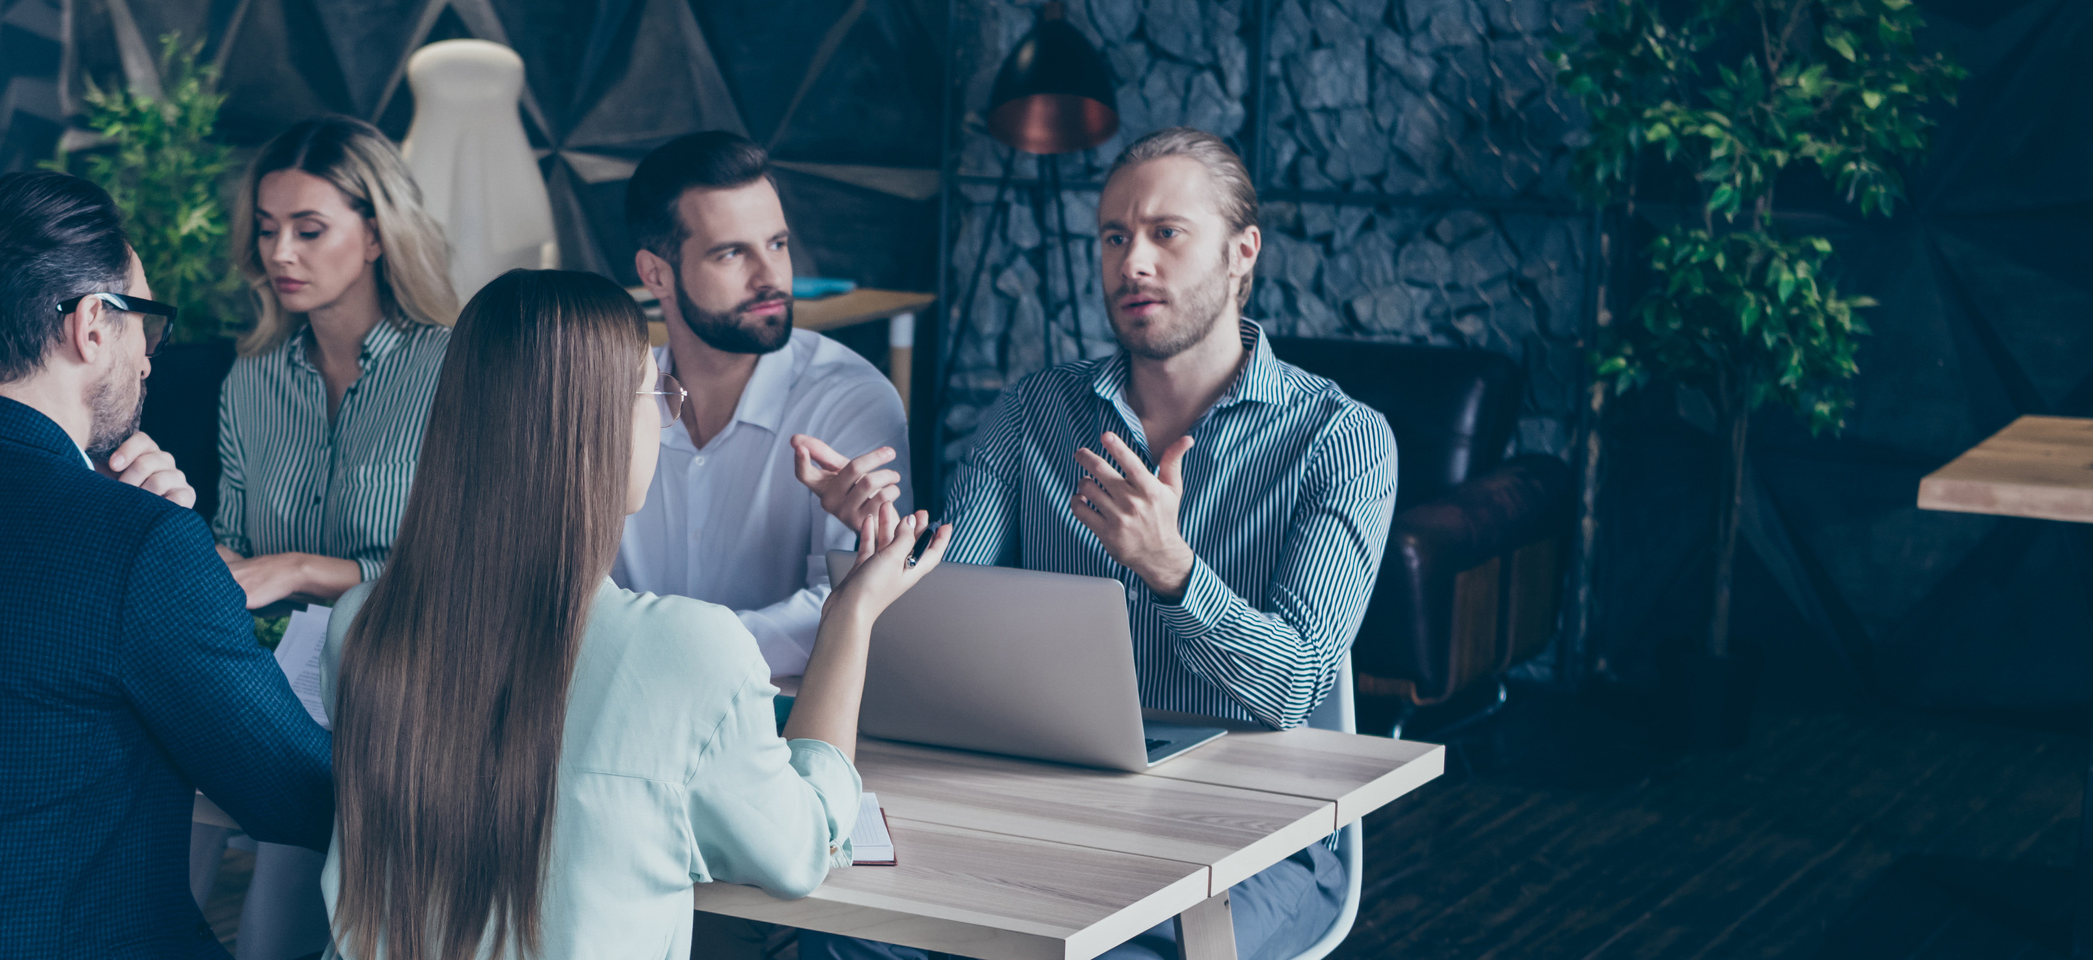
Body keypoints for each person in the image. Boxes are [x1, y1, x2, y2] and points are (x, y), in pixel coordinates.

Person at [791, 128, 1396, 960]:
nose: (1132, 262)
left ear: (1241, 253)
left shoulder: (1342, 440)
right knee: (853, 929)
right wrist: (876, 542)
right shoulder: (1035, 411)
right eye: (1114, 236)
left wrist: (1171, 568)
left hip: (1254, 839)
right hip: (1041, 811)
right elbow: (942, 626)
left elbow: (1292, 686)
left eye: (1165, 234)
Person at [307, 269, 957, 960]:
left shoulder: (361, 625)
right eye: (654, 391)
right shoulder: (690, 649)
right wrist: (850, 611)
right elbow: (800, 849)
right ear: (593, 426)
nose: (666, 413)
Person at [0, 171, 331, 960]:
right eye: (144, 326)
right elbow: (296, 798)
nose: (150, 360)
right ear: (93, 325)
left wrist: (123, 519)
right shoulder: (139, 544)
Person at [613, 131, 910, 686]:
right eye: (732, 253)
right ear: (656, 274)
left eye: (777, 244)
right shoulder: (612, 399)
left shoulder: (849, 396)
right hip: (617, 710)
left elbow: (852, 601)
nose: (770, 277)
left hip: (781, 724)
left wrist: (667, 654)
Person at [214, 115, 462, 610]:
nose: (280, 253)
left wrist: (298, 570)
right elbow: (232, 543)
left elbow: (470, 565)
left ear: (376, 236)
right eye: (267, 230)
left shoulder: (454, 370)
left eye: (309, 231)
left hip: (409, 666)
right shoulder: (252, 376)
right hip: (271, 666)